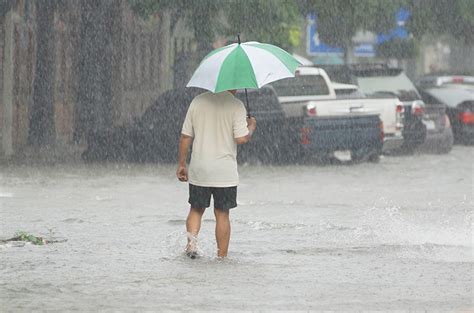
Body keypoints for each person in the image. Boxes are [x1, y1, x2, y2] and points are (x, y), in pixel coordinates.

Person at [176, 90, 257, 258]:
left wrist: (182, 164)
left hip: (200, 167)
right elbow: (241, 139)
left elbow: (185, 136)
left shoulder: (197, 102)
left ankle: (191, 246)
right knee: (222, 213)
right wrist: (251, 127)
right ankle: (222, 257)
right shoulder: (236, 105)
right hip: (224, 171)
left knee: (196, 209)